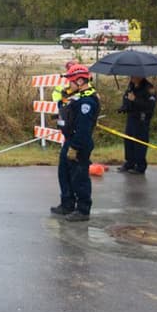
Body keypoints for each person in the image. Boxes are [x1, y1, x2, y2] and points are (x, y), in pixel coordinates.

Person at [51, 62, 99, 222]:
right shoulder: (75, 97)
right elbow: (65, 109)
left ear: (79, 81)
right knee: (64, 173)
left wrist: (75, 148)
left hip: (79, 143)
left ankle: (83, 210)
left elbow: (84, 129)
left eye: (71, 81)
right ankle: (67, 204)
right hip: (70, 139)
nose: (68, 84)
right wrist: (65, 97)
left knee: (79, 177)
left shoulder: (87, 102)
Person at [118, 75, 157, 174]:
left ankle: (140, 166)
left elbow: (149, 106)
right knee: (128, 140)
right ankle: (129, 162)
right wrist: (124, 107)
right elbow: (127, 98)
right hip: (131, 117)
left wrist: (135, 100)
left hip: (142, 119)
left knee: (140, 142)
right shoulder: (131, 86)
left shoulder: (149, 88)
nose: (131, 78)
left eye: (134, 76)